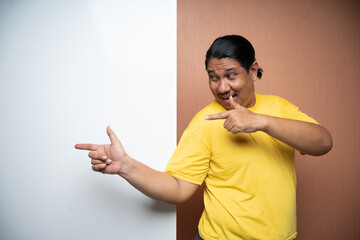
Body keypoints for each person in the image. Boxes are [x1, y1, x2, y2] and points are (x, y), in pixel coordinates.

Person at [75, 35, 332, 240]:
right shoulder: (204, 122)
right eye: (213, 78)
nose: (222, 88)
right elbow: (177, 188)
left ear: (252, 70)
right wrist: (125, 166)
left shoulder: (279, 108)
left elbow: (323, 142)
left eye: (231, 75)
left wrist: (262, 122)